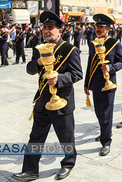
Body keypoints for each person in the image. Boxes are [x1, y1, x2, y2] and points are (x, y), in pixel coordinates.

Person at [11, 11, 83, 181]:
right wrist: (37, 62)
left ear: (60, 31)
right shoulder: (41, 47)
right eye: (44, 28)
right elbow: (29, 69)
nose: (46, 31)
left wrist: (59, 79)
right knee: (35, 137)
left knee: (66, 137)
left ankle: (68, 164)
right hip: (42, 100)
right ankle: (30, 170)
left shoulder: (69, 50)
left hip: (62, 102)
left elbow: (77, 74)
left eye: (51, 28)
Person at [84, 14, 122, 156]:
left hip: (109, 84)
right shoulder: (92, 43)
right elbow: (90, 64)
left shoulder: (115, 44)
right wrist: (86, 83)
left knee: (106, 113)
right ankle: (104, 131)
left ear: (108, 29)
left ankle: (106, 141)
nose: (98, 29)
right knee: (98, 112)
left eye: (101, 27)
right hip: (95, 84)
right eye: (97, 27)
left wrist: (111, 68)